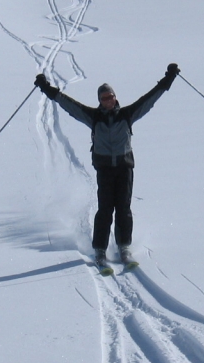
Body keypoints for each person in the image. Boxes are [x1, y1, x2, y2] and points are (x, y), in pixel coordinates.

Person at [34, 63, 180, 270]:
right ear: (100, 101)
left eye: (110, 96)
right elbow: (68, 104)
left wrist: (169, 78)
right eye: (104, 98)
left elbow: (150, 98)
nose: (108, 101)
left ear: (115, 97)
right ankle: (100, 250)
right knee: (105, 210)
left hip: (124, 168)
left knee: (123, 209)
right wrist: (46, 88)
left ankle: (124, 248)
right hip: (105, 169)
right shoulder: (93, 117)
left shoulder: (127, 114)